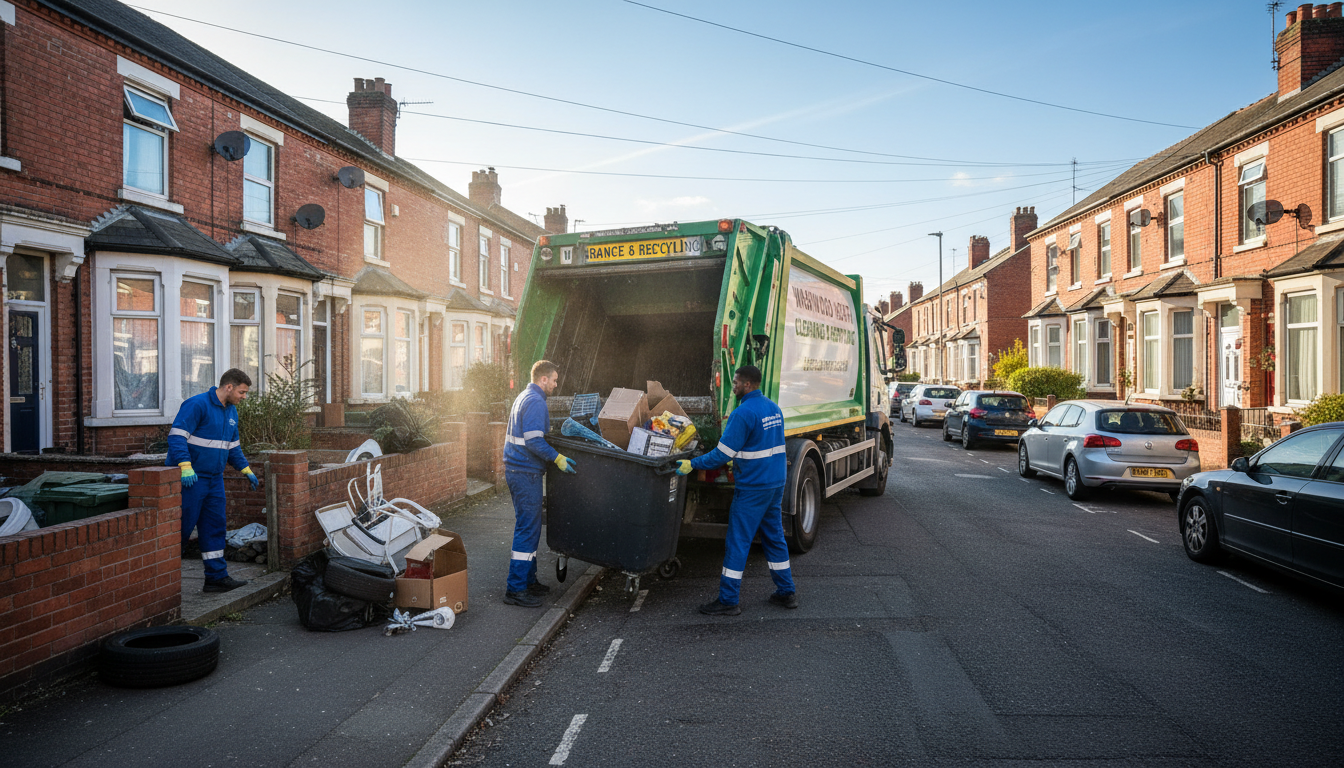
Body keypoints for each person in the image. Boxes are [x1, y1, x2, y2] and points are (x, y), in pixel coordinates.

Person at [677, 365, 797, 615]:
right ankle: (786, 592)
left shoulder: (742, 413)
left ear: (748, 385)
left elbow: (722, 454)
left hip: (753, 487)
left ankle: (728, 600)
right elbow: (764, 445)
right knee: (774, 538)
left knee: (738, 542)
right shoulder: (773, 408)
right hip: (775, 483)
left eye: (736, 382)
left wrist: (692, 464)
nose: (733, 386)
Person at [167, 368, 259, 593]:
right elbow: (177, 436)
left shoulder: (231, 413)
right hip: (191, 479)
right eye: (242, 392)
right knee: (181, 528)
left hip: (214, 480)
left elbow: (232, 447)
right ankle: (163, 579)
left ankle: (216, 578)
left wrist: (245, 469)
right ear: (229, 387)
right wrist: (185, 466)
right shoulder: (197, 405)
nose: (244, 397)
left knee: (214, 527)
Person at [501, 359, 578, 607]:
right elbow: (534, 441)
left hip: (520, 470)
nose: (556, 384)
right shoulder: (535, 401)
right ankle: (515, 589)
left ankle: (528, 581)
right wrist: (557, 458)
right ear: (543, 379)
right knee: (527, 529)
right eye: (554, 380)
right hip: (525, 473)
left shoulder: (524, 396)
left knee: (530, 528)